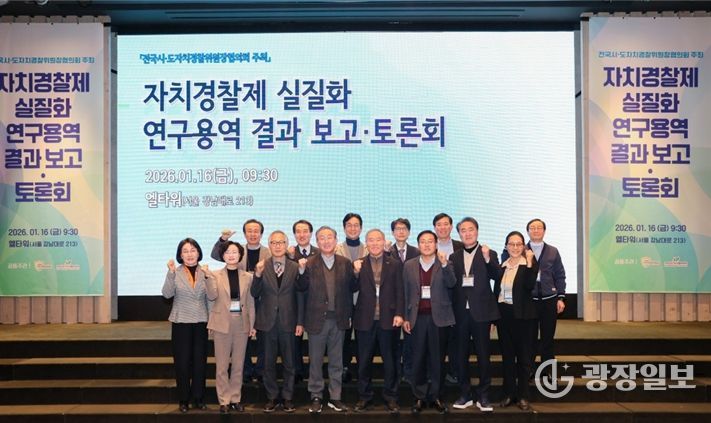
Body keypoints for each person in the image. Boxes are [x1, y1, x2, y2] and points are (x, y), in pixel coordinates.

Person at [296, 226, 359, 414]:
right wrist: (301, 271)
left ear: (336, 240)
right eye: (322, 238)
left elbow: (353, 288)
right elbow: (301, 288)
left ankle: (335, 397)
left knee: (336, 361)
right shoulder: (309, 263)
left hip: (339, 319)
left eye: (329, 237)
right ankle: (316, 396)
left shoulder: (345, 263)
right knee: (315, 361)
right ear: (317, 242)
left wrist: (356, 274)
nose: (326, 241)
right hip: (316, 320)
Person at [449, 217, 501, 412]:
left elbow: (498, 276)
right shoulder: (454, 256)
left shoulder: (488, 253)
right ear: (459, 234)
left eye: (470, 229)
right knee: (460, 355)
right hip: (460, 313)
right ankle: (465, 394)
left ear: (477, 231)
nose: (467, 233)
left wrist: (488, 259)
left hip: (482, 313)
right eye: (463, 230)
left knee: (483, 355)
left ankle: (484, 394)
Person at [402, 230, 456, 414]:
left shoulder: (445, 263)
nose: (426, 245)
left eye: (430, 241)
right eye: (423, 242)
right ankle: (419, 396)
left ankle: (436, 396)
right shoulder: (409, 265)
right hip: (417, 318)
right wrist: (406, 317)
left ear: (436, 244)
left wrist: (445, 264)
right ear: (418, 245)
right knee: (418, 358)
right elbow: (405, 292)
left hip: (439, 319)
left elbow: (452, 283)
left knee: (437, 359)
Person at [352, 229, 404, 414]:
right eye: (371, 240)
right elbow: (351, 288)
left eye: (378, 240)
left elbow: (400, 290)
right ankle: (364, 396)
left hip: (389, 319)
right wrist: (355, 273)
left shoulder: (395, 264)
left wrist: (400, 313)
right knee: (363, 362)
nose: (374, 243)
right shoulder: (359, 264)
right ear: (366, 243)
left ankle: (391, 397)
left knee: (390, 361)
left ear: (384, 242)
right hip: (364, 320)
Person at [211, 219, 270, 383]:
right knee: (243, 338)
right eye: (249, 231)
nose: (253, 234)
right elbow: (216, 255)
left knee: (263, 338)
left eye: (256, 231)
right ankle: (246, 370)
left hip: (263, 301)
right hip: (241, 301)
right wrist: (223, 240)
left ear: (261, 234)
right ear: (244, 234)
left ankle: (260, 370)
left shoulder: (268, 253)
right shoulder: (237, 251)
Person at [251, 230, 304, 413]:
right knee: (268, 363)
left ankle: (288, 397)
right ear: (269, 245)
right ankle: (272, 396)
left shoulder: (295, 267)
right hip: (267, 322)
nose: (278, 246)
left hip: (289, 322)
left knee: (290, 363)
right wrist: (257, 275)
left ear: (286, 244)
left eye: (281, 242)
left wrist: (300, 322)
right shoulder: (261, 266)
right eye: (274, 242)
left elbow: (301, 295)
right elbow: (254, 293)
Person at [162, 238, 215, 413]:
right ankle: (183, 399)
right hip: (181, 322)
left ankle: (199, 398)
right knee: (182, 362)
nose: (189, 254)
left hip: (201, 322)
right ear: (180, 255)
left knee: (200, 363)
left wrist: (212, 321)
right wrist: (170, 273)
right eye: (185, 251)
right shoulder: (175, 272)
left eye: (193, 250)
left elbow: (211, 298)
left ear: (198, 252)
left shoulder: (206, 272)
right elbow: (167, 294)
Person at [206, 241, 256, 414]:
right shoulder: (214, 275)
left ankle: (235, 398)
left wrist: (252, 325)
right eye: (228, 252)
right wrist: (207, 278)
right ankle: (223, 400)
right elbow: (211, 296)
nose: (231, 255)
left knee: (238, 365)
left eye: (235, 252)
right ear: (223, 256)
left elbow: (250, 303)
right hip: (221, 324)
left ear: (240, 255)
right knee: (221, 366)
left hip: (241, 323)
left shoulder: (248, 277)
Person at [495, 231, 538, 411]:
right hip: (504, 315)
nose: (515, 247)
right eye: (511, 244)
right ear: (506, 246)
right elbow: (496, 292)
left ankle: (523, 396)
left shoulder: (528, 264)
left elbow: (529, 285)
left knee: (523, 358)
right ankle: (509, 394)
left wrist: (529, 262)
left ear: (523, 246)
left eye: (518, 244)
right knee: (507, 357)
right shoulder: (502, 266)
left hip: (523, 317)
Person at [526, 218, 566, 376]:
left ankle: (547, 369)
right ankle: (528, 369)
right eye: (532, 228)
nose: (536, 230)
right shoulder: (521, 250)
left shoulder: (553, 251)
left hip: (549, 300)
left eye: (539, 228)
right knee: (529, 337)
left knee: (547, 337)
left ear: (544, 231)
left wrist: (560, 297)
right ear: (527, 231)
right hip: (529, 301)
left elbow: (560, 275)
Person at [334, 213, 368, 384]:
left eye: (356, 225)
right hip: (343, 302)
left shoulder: (369, 249)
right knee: (344, 338)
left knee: (363, 338)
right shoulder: (335, 250)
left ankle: (363, 371)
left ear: (361, 228)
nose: (353, 228)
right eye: (349, 225)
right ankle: (344, 368)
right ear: (344, 228)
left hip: (364, 302)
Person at [388, 218, 419, 385]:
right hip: (392, 304)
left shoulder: (417, 251)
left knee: (411, 340)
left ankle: (409, 372)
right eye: (397, 229)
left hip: (412, 302)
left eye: (404, 228)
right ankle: (395, 373)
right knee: (393, 341)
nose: (401, 231)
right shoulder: (386, 252)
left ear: (409, 232)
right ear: (393, 232)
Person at [287, 219, 318, 383]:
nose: (302, 234)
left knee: (315, 341)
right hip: (294, 303)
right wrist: (291, 258)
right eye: (298, 231)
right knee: (294, 340)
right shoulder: (288, 254)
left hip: (315, 303)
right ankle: (297, 372)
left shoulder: (320, 252)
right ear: (294, 234)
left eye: (305, 231)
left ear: (311, 233)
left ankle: (314, 373)